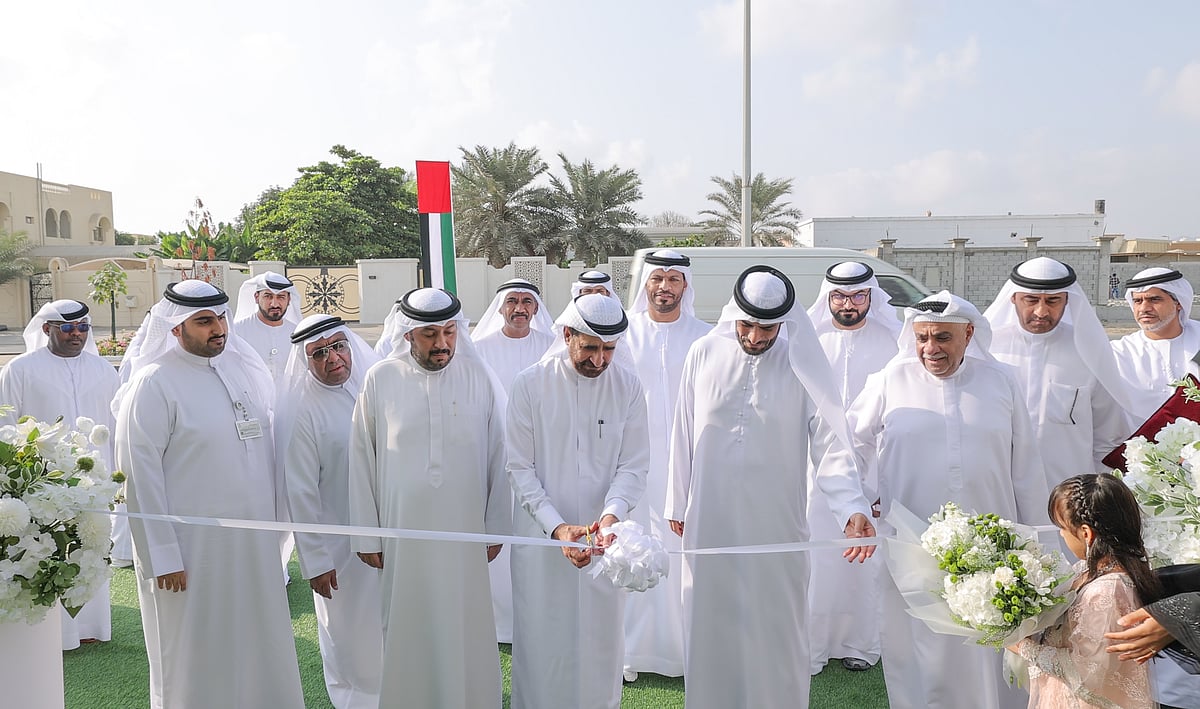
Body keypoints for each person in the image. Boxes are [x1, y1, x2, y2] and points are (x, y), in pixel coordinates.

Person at [665, 265, 876, 709]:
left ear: (785, 323)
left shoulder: (800, 361)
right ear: (732, 316)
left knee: (776, 622)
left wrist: (851, 506)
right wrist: (678, 500)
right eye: (747, 325)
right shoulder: (703, 352)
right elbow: (683, 429)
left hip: (776, 522)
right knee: (709, 618)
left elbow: (831, 444)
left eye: (768, 328)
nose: (756, 337)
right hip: (710, 517)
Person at [847, 290, 1049, 709]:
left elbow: (1026, 466)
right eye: (922, 337)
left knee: (991, 644)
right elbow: (846, 445)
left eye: (942, 337)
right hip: (912, 542)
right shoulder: (889, 381)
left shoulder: (1001, 381)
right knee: (921, 649)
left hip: (995, 542)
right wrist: (857, 501)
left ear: (969, 334)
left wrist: (1037, 540)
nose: (930, 348)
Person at [115, 280, 303, 709]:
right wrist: (162, 555)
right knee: (195, 649)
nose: (218, 329)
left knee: (257, 637)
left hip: (252, 544)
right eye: (204, 321)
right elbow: (138, 478)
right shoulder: (154, 384)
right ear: (175, 328)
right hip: (190, 553)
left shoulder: (240, 369)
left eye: (220, 318)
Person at [348, 288, 510, 708]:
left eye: (449, 332)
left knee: (465, 623)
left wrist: (496, 526)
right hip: (403, 535)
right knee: (407, 626)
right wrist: (367, 534)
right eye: (430, 334)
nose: (442, 343)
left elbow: (499, 454)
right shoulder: (380, 378)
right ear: (408, 335)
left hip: (466, 533)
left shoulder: (478, 377)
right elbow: (362, 457)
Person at [507, 293, 649, 709]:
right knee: (542, 639)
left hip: (604, 542)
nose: (600, 361)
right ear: (567, 334)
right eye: (590, 347)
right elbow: (519, 469)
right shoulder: (529, 384)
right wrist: (558, 528)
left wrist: (609, 518)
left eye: (609, 349)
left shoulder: (628, 386)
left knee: (600, 640)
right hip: (541, 539)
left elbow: (634, 465)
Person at [0, 299, 118, 649]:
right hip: (42, 481)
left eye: (83, 327)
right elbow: (6, 426)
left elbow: (114, 426)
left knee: (92, 549)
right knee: (47, 552)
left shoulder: (104, 370)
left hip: (95, 481)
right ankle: (52, 635)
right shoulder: (20, 369)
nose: (76, 335)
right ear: (47, 329)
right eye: (67, 328)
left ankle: (91, 627)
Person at [278, 314, 383, 708]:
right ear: (306, 361)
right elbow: (300, 491)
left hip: (385, 535)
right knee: (349, 629)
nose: (333, 358)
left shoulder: (369, 387)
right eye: (319, 353)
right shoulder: (302, 410)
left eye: (338, 346)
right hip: (338, 545)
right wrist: (316, 560)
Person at [803, 261, 901, 674]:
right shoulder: (808, 338)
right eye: (840, 297)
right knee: (816, 557)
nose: (848, 304)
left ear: (871, 298)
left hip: (873, 466)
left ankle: (861, 643)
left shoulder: (892, 340)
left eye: (858, 296)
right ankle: (812, 645)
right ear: (828, 298)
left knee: (864, 559)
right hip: (811, 468)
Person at [621, 249, 711, 681]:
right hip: (632, 464)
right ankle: (632, 653)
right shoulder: (622, 334)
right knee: (632, 547)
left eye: (674, 280)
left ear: (686, 287)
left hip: (690, 464)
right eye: (657, 278)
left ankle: (683, 651)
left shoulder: (707, 337)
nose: (664, 287)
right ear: (645, 285)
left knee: (683, 557)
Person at [1012, 473, 1162, 709]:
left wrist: (1023, 647)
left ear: (1085, 533)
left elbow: (1088, 672)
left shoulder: (1106, 590)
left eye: (1062, 527)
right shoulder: (1087, 569)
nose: (1061, 534)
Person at [983, 257, 1135, 491]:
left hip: (1067, 491)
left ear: (1067, 301)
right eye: (1031, 300)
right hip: (1001, 489)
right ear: (1014, 298)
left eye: (1053, 301)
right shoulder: (988, 349)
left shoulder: (1087, 352)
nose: (1041, 311)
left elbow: (1108, 436)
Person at [471, 278, 554, 645]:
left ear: (536, 308)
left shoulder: (551, 346)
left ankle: (536, 614)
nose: (519, 308)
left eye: (526, 302)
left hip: (542, 455)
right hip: (494, 453)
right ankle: (500, 620)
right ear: (500, 307)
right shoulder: (480, 348)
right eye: (512, 302)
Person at [1111, 267, 1200, 424]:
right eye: (1138, 301)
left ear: (1178, 302)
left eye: (1154, 299)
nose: (1144, 308)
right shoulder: (1118, 352)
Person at [233, 271, 302, 381]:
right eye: (268, 296)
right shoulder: (237, 331)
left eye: (281, 297)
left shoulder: (297, 333)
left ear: (289, 300)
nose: (274, 304)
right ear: (256, 297)